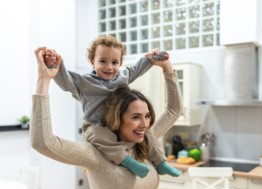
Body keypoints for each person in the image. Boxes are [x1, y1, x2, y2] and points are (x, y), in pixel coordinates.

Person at [31, 47, 183, 189]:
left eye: (147, 116)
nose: (144, 124)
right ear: (118, 118)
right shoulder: (96, 153)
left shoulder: (146, 141)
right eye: (135, 117)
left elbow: (174, 110)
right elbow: (42, 142)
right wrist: (43, 81)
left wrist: (167, 68)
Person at [43, 35, 181, 178]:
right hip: (96, 125)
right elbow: (66, 80)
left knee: (147, 132)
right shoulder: (84, 82)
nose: (109, 67)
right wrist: (54, 64)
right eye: (103, 61)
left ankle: (161, 163)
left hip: (118, 124)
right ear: (92, 61)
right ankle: (128, 162)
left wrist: (152, 58)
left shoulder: (122, 77)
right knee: (97, 133)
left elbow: (137, 68)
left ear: (120, 64)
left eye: (115, 62)